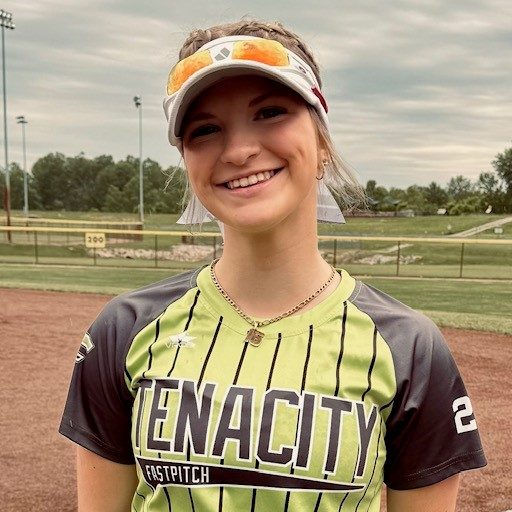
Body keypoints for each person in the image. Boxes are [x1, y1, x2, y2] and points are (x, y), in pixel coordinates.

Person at [60, 20, 486, 512]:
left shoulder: (408, 347)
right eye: (205, 130)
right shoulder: (124, 330)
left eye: (270, 112)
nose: (239, 150)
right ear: (187, 162)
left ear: (322, 142)